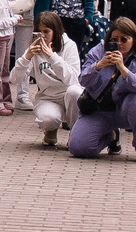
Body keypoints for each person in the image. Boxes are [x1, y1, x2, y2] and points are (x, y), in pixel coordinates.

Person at [68, 16, 136, 162]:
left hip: (126, 107)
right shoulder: (99, 50)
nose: (119, 43)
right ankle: (111, 136)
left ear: (134, 39)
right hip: (99, 109)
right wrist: (98, 66)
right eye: (114, 39)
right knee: (78, 148)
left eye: (124, 39)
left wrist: (122, 68)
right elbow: (82, 80)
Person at [13, 11, 84, 148]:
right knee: (48, 119)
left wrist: (52, 56)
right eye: (39, 33)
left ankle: (75, 134)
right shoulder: (34, 49)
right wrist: (26, 57)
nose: (43, 37)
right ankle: (50, 131)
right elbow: (14, 78)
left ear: (56, 31)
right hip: (48, 97)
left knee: (74, 92)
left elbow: (73, 78)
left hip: (68, 94)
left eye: (46, 32)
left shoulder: (69, 46)